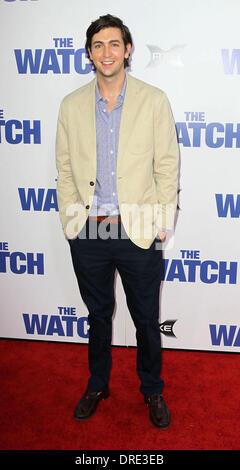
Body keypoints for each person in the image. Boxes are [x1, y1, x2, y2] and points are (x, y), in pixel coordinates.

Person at [56, 14, 179, 430]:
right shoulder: (71, 104)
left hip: (138, 228)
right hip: (88, 229)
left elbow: (166, 164)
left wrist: (162, 221)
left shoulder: (154, 99)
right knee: (97, 315)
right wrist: (72, 222)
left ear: (127, 50)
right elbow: (65, 166)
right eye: (97, 45)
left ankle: (151, 389)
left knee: (146, 317)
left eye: (113, 44)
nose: (105, 52)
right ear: (89, 53)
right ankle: (97, 384)